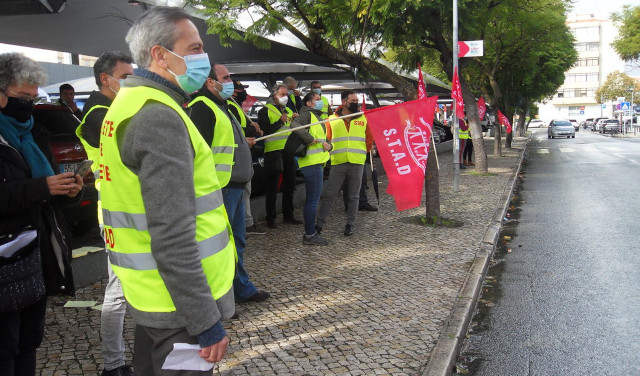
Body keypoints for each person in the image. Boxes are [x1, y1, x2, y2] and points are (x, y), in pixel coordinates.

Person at [100, 7, 236, 375]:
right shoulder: (157, 116)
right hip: (179, 309)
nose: (202, 59)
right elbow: (172, 236)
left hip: (156, 297)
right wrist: (205, 322)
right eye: (193, 48)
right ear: (160, 55)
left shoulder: (130, 103)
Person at [0, 52, 80, 376]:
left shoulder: (31, 131)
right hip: (5, 262)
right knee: (5, 346)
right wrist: (42, 188)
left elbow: (44, 194)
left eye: (34, 97)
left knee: (30, 341)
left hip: (34, 255)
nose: (29, 105)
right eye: (23, 97)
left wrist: (66, 190)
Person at [189, 63, 270, 305]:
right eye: (225, 78)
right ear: (209, 82)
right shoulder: (201, 107)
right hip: (219, 187)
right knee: (220, 245)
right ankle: (221, 298)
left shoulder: (220, 105)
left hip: (233, 185)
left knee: (236, 242)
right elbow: (196, 151)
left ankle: (240, 289)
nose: (230, 82)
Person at [76, 51, 135, 376]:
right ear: (105, 79)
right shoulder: (99, 114)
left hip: (131, 210)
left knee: (133, 288)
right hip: (119, 212)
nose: (131, 82)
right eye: (126, 76)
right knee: (119, 291)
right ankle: (113, 364)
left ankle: (141, 353)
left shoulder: (113, 108)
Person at [315, 90, 373, 237]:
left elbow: (369, 140)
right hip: (338, 162)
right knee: (329, 195)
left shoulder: (363, 118)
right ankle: (319, 225)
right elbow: (328, 139)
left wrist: (361, 153)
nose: (356, 103)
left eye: (356, 101)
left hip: (356, 162)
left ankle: (350, 225)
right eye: (352, 101)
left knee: (354, 196)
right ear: (344, 102)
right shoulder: (331, 119)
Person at [257, 83, 302, 228]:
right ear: (274, 95)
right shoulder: (264, 111)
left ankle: (288, 215)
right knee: (272, 187)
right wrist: (279, 122)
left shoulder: (289, 110)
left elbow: (293, 128)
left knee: (290, 184)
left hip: (288, 151)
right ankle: (271, 217)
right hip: (273, 152)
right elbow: (265, 131)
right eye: (282, 95)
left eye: (286, 95)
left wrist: (296, 119)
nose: (285, 98)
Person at [290, 92, 332, 246]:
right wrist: (309, 139)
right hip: (311, 163)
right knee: (313, 201)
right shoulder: (307, 115)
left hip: (318, 163)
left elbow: (325, 140)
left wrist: (329, 145)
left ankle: (310, 233)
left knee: (313, 200)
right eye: (317, 100)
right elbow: (294, 125)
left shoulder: (318, 117)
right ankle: (309, 234)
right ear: (308, 103)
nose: (321, 102)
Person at [227, 80, 267, 236]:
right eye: (242, 90)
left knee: (246, 191)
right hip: (236, 159)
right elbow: (237, 132)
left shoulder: (235, 106)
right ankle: (244, 225)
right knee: (243, 192)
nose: (245, 93)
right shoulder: (230, 107)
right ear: (235, 92)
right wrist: (252, 129)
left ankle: (245, 223)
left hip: (244, 156)